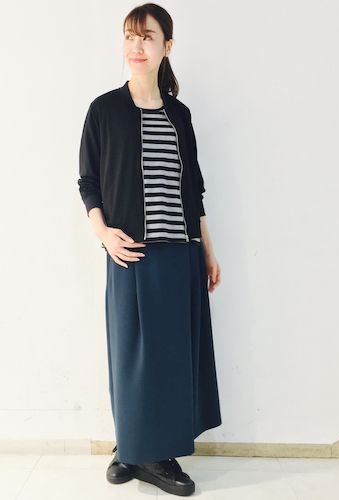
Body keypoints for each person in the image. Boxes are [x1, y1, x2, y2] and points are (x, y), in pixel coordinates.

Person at [77, 3, 222, 496]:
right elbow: (88, 181)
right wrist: (102, 232)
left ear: (167, 46)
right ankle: (136, 447)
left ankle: (151, 453)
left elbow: (193, 188)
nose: (136, 46)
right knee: (133, 356)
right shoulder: (104, 110)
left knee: (171, 356)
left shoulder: (180, 115)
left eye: (147, 37)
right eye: (130, 36)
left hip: (179, 252)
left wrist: (207, 249)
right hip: (131, 253)